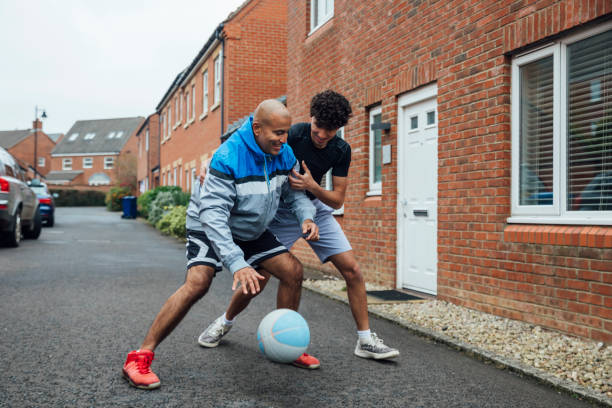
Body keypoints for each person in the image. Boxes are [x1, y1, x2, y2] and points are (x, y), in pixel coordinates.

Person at [122, 99, 319, 389]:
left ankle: (286, 345)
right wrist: (237, 262)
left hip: (249, 226)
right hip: (209, 224)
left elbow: (294, 194)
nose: (283, 139)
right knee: (198, 282)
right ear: (257, 128)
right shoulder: (228, 157)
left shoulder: (284, 153)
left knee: (293, 271)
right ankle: (139, 357)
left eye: (286, 132)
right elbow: (213, 215)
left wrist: (306, 217)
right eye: (277, 132)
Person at [198, 90, 399, 369]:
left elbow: (337, 199)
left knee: (352, 269)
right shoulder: (291, 135)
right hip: (278, 212)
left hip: (315, 209)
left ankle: (365, 340)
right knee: (262, 275)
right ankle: (224, 322)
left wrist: (312, 187)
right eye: (318, 128)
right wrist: (208, 167)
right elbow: (243, 146)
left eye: (330, 131)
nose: (322, 136)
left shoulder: (341, 150)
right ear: (311, 119)